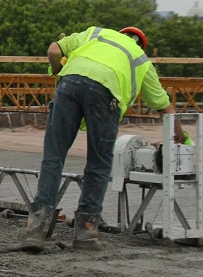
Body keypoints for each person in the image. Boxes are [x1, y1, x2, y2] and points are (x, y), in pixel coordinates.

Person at [21, 26, 184, 252]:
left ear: (120, 33)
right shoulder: (141, 59)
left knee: (53, 156)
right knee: (98, 164)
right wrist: (181, 136)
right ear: (140, 44)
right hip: (106, 95)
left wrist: (58, 70)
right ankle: (86, 234)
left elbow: (53, 51)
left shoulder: (95, 34)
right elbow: (164, 107)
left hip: (69, 83)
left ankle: (36, 230)